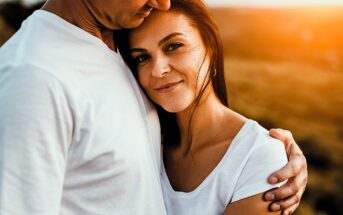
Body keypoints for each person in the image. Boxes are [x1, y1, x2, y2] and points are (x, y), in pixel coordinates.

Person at [0, 0, 306, 214]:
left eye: (173, 46)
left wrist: (269, 153)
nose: (162, 2)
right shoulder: (34, 76)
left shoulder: (115, 42)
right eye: (142, 58)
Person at [116, 0, 307, 214]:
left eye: (173, 46)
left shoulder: (259, 156)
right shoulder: (143, 142)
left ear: (211, 47)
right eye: (142, 57)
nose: (158, 70)